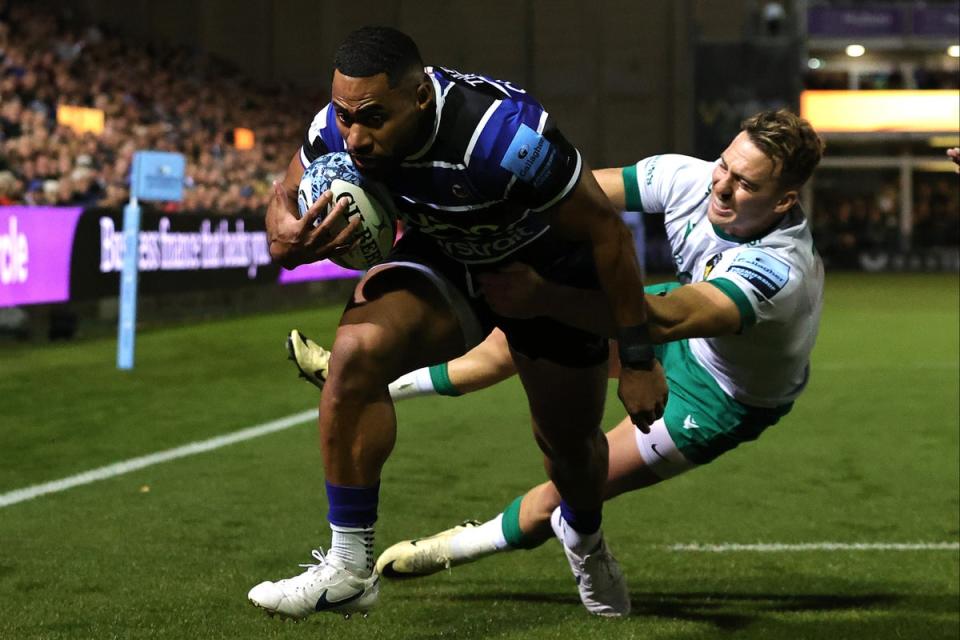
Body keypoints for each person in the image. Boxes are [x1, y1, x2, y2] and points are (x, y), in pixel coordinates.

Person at [288, 109, 827, 616]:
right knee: (514, 342)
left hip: (722, 393)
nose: (723, 186)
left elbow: (661, 322)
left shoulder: (778, 270)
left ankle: (460, 545)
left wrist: (543, 295)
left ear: (784, 202)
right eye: (725, 165)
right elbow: (572, 194)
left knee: (570, 487)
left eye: (747, 184)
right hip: (677, 316)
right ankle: (376, 377)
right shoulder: (692, 177)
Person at [247, 26, 668, 620]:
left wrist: (640, 361)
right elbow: (283, 192)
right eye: (345, 116)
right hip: (447, 257)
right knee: (355, 355)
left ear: (420, 99)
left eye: (372, 117)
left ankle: (586, 538)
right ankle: (348, 568)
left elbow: (608, 234)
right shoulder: (335, 129)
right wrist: (283, 234)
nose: (356, 138)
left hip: (545, 270)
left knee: (568, 448)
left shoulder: (503, 137)